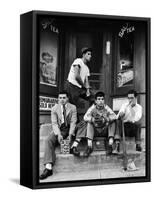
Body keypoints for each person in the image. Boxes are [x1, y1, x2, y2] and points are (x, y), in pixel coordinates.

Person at [39, 91, 77, 180]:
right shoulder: (54, 109)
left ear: (67, 98)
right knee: (48, 140)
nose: (62, 100)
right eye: (60, 98)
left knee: (75, 129)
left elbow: (73, 122)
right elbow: (54, 123)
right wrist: (58, 134)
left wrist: (71, 134)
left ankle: (73, 146)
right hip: (60, 129)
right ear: (58, 99)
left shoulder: (73, 107)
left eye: (64, 98)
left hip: (70, 129)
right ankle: (48, 168)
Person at [70, 91, 120, 157]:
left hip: (104, 130)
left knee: (113, 121)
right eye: (99, 99)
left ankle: (110, 145)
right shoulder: (92, 108)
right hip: (95, 130)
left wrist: (107, 118)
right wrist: (92, 119)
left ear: (104, 100)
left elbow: (115, 116)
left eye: (102, 99)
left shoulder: (106, 107)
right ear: (96, 101)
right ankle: (89, 146)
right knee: (88, 123)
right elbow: (85, 117)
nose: (101, 101)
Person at [65, 47, 92, 113]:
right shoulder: (78, 61)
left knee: (93, 98)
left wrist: (88, 90)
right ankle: (75, 122)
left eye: (91, 54)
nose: (90, 56)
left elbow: (86, 80)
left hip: (79, 88)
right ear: (83, 55)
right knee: (74, 107)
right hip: (72, 86)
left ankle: (91, 117)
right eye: (88, 54)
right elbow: (77, 76)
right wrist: (84, 86)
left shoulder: (87, 68)